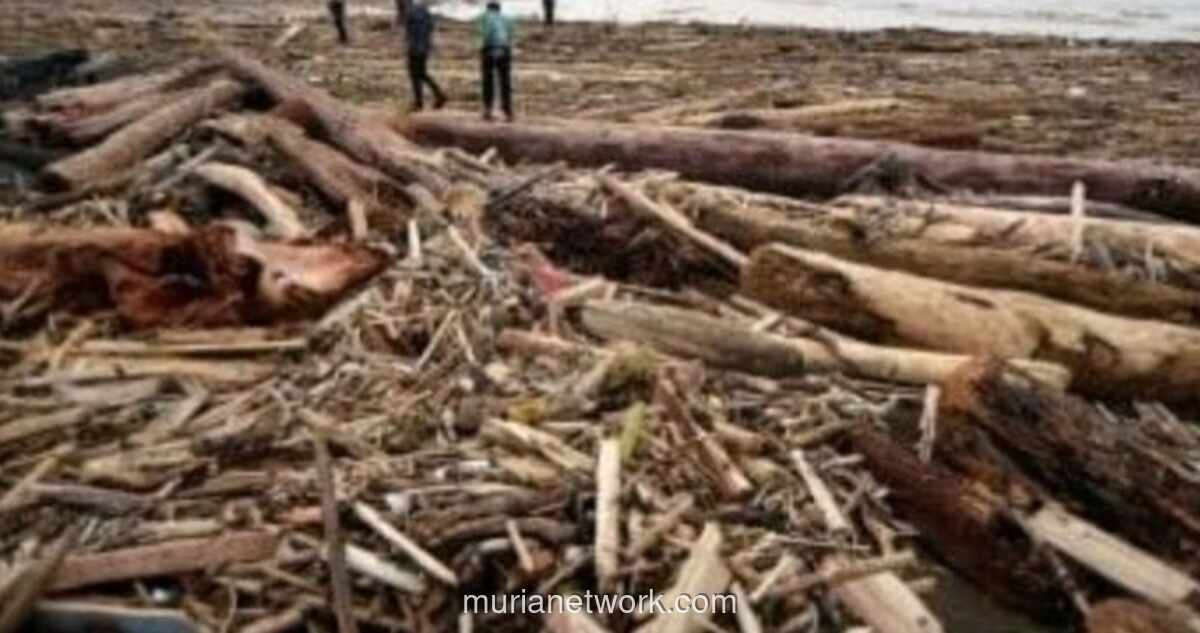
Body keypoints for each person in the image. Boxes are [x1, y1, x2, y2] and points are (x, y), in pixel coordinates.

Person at [405, 0, 447, 110]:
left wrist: (409, 44)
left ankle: (419, 103)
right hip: (425, 48)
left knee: (415, 75)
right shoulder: (427, 13)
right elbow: (431, 29)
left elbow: (410, 32)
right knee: (422, 73)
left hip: (415, 48)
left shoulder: (411, 13)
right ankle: (438, 95)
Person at [477, 1, 515, 121]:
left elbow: (484, 33)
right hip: (504, 50)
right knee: (505, 81)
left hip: (489, 49)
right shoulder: (507, 18)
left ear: (488, 8)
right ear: (499, 9)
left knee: (488, 80)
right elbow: (511, 34)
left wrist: (480, 46)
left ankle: (488, 109)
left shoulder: (484, 17)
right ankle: (508, 110)